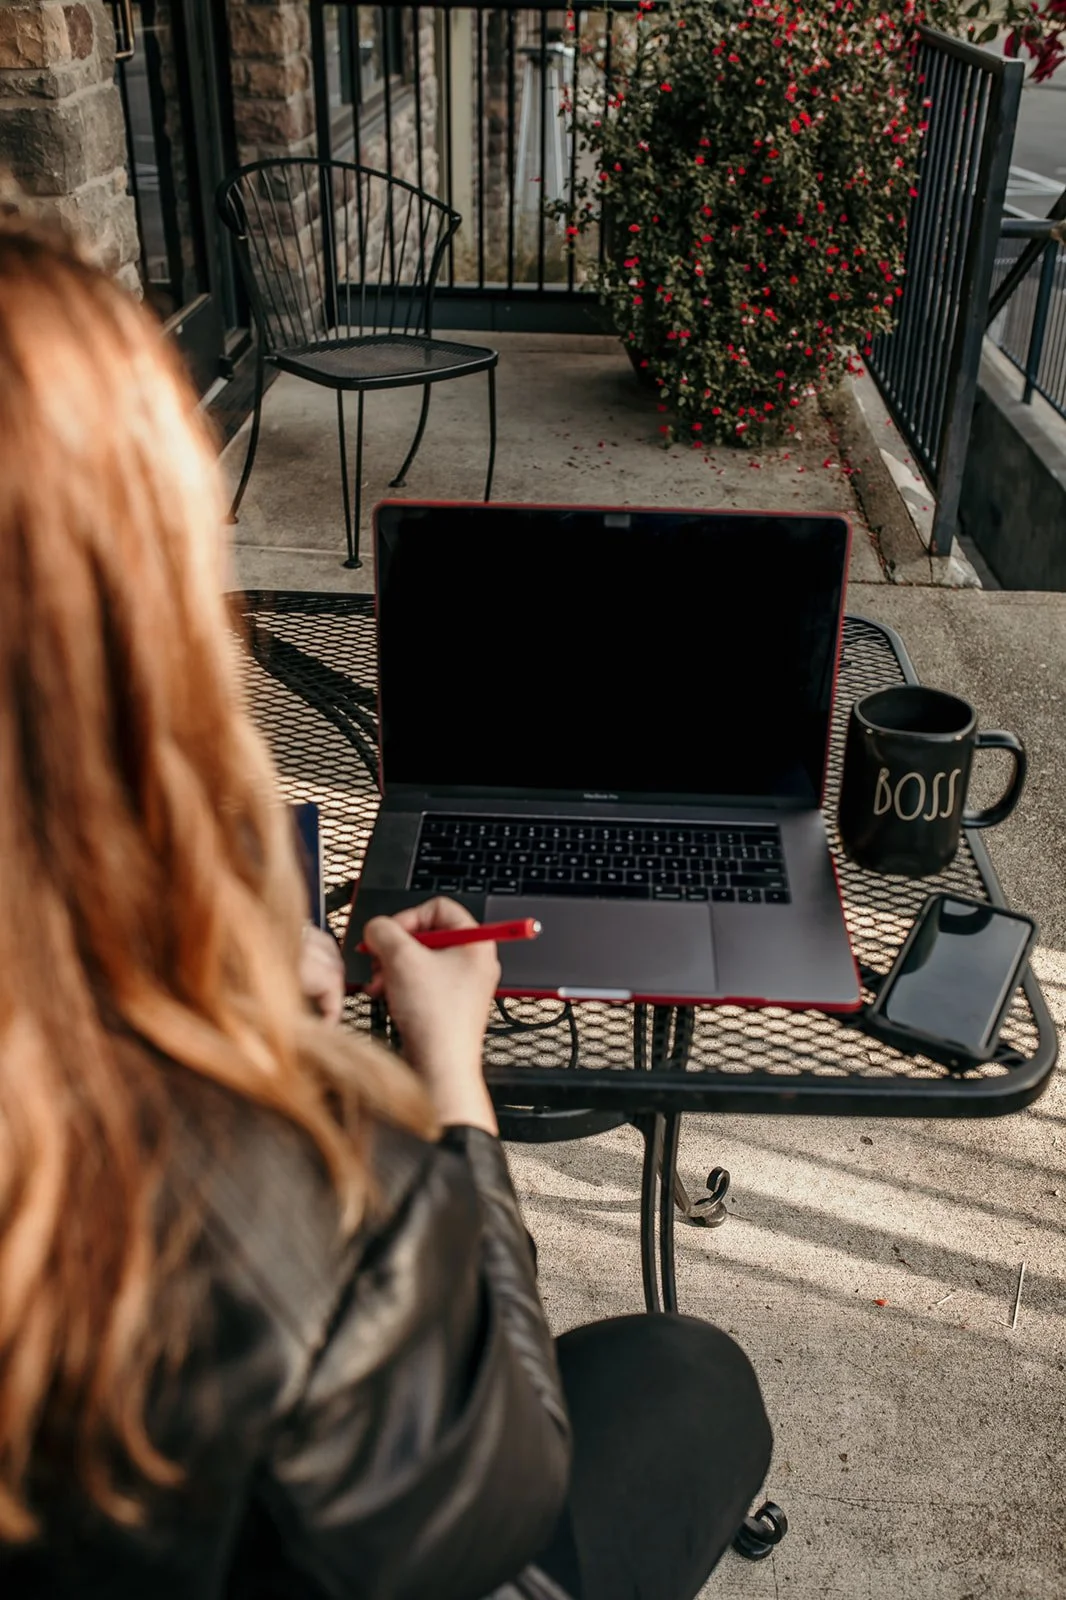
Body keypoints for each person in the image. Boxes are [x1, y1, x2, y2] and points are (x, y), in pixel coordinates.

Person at [0, 211, 772, 1600]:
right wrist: (447, 1083)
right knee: (690, 1375)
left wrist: (215, 996)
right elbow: (507, 1488)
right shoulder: (298, 1195)